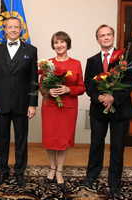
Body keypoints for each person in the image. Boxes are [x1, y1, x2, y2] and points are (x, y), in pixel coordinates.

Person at [84, 24, 132, 198]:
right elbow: (89, 84)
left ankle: (114, 182)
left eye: (108, 35)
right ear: (97, 39)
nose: (106, 37)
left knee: (117, 148)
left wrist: (114, 97)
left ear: (113, 37)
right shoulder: (91, 61)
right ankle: (92, 174)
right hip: (99, 111)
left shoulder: (125, 57)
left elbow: (131, 81)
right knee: (96, 145)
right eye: (102, 35)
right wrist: (99, 97)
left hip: (121, 110)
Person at [0, 17, 38, 189]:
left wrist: (33, 103)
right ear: (5, 29)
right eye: (10, 27)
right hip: (0, 103)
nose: (14, 30)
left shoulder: (31, 50)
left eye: (17, 27)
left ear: (21, 29)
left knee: (21, 140)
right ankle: (2, 171)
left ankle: (19, 172)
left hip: (22, 103)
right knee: (2, 139)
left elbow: (33, 79)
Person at [41, 31, 85, 188]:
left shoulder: (76, 63)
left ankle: (59, 170)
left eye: (62, 42)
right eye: (56, 42)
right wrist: (48, 91)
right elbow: (41, 86)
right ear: (53, 45)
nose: (59, 45)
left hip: (68, 108)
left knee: (63, 139)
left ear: (67, 43)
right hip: (50, 108)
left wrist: (68, 90)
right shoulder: (47, 64)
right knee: (51, 139)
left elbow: (82, 87)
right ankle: (52, 168)